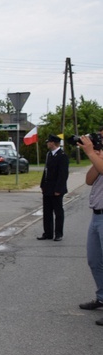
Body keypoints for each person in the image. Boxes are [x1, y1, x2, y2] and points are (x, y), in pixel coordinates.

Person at [77, 134, 103, 325]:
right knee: (94, 260)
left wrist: (89, 152)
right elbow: (89, 180)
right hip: (96, 215)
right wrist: (95, 157)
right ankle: (102, 297)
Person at [37, 135, 68, 241]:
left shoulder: (62, 156)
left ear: (53, 143)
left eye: (48, 142)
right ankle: (48, 233)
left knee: (58, 212)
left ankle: (58, 233)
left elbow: (63, 174)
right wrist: (42, 185)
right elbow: (46, 171)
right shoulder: (49, 155)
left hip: (56, 189)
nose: (47, 144)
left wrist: (58, 189)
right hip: (47, 188)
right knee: (47, 212)